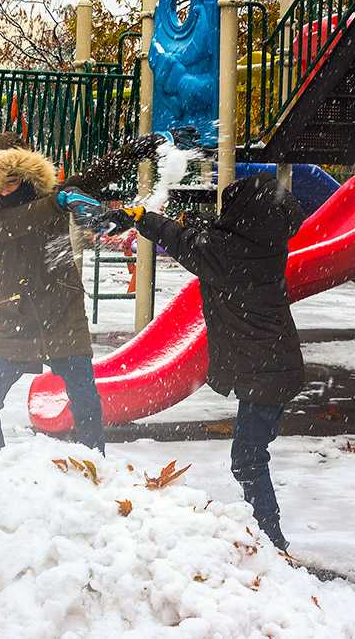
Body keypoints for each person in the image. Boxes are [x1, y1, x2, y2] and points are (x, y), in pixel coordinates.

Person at [0, 128, 200, 456]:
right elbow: (18, 222)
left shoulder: (57, 195)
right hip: (13, 318)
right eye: (0, 177)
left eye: (15, 176)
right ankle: (0, 470)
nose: (7, 184)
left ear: (27, 172)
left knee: (87, 407)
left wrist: (140, 148)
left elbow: (98, 172)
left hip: (63, 314)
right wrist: (60, 201)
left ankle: (95, 470)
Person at [112, 172, 307, 550]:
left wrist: (140, 217)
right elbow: (211, 234)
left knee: (247, 458)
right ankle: (268, 534)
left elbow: (181, 241)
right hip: (276, 365)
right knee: (251, 455)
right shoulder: (267, 242)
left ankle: (271, 539)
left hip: (264, 371)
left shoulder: (223, 252)